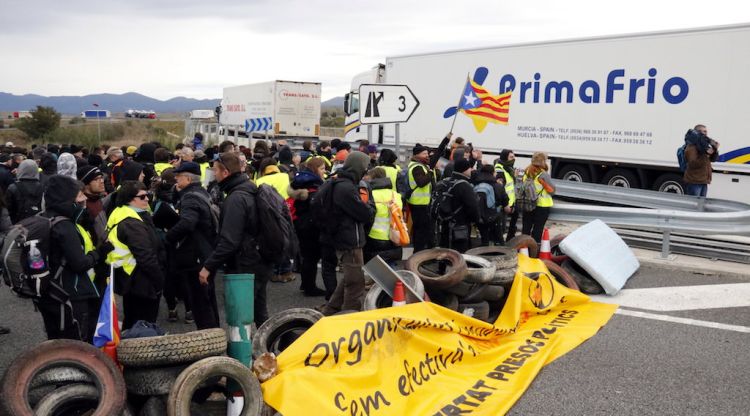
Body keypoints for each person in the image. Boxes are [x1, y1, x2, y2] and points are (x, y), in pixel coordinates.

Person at [199, 152, 273, 325]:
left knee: (240, 314)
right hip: (259, 258)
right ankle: (275, 344)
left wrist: (208, 266)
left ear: (225, 173)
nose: (213, 174)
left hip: (245, 263)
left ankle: (243, 351)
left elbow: (230, 241)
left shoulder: (236, 198)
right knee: (259, 311)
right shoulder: (248, 188)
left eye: (215, 170)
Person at [38, 175, 111, 342]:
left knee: (55, 338)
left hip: (50, 290)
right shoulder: (65, 226)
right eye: (79, 195)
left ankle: (56, 366)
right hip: (71, 293)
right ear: (66, 198)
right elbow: (79, 264)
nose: (84, 198)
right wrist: (101, 252)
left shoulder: (45, 218)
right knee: (76, 341)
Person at [318, 152, 375, 315]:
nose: (366, 171)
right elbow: (365, 214)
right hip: (350, 241)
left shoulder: (338, 182)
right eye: (365, 167)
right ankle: (350, 318)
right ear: (359, 167)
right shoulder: (346, 188)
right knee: (355, 283)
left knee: (348, 279)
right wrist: (370, 205)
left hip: (343, 238)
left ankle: (331, 310)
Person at [106, 181, 166, 330]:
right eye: (142, 196)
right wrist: (159, 281)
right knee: (142, 327)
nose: (147, 199)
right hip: (140, 281)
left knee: (133, 322)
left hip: (131, 280)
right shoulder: (131, 223)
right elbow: (146, 256)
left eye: (148, 195)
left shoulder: (129, 214)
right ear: (129, 199)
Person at [166, 162, 219, 329]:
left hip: (195, 255)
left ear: (188, 178)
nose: (175, 179)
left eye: (179, 176)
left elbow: (187, 223)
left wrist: (167, 238)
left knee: (200, 303)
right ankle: (215, 336)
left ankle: (208, 341)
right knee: (209, 299)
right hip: (207, 251)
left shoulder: (190, 197)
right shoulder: (202, 193)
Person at [288, 158, 331, 297]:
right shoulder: (314, 186)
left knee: (307, 256)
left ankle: (305, 283)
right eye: (322, 169)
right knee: (311, 257)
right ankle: (309, 287)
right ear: (315, 169)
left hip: (301, 223)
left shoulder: (301, 183)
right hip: (310, 226)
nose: (324, 172)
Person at [436, 159, 480, 253]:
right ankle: (456, 267)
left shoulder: (445, 182)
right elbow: (472, 207)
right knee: (459, 254)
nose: (471, 170)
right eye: (469, 168)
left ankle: (443, 267)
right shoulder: (464, 185)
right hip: (460, 226)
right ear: (464, 169)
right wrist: (476, 220)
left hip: (444, 223)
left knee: (445, 250)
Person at [363, 167, 403, 264]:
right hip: (394, 236)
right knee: (389, 270)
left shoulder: (370, 195)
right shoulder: (395, 195)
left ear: (372, 178)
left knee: (375, 269)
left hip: (374, 237)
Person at [407, 144, 436, 252]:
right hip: (419, 203)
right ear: (417, 155)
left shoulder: (418, 165)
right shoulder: (417, 167)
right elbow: (421, 183)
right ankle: (418, 253)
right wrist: (430, 174)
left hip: (419, 202)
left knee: (420, 229)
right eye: (424, 154)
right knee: (421, 230)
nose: (427, 156)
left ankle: (419, 251)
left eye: (427, 153)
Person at [521, 152, 556, 243]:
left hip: (527, 204)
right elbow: (552, 190)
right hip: (541, 206)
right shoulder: (542, 175)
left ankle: (524, 248)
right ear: (543, 161)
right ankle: (534, 250)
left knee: (526, 228)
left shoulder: (526, 172)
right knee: (537, 230)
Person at [473, 164, 509, 246]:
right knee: (499, 240)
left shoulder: (476, 185)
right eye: (495, 172)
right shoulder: (497, 186)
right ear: (492, 173)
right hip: (494, 217)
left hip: (479, 218)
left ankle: (483, 253)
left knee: (484, 239)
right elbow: (506, 204)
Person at [683, 124, 720, 197]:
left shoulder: (704, 145)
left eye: (706, 131)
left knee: (701, 205)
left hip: (703, 181)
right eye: (704, 131)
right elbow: (693, 163)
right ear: (698, 132)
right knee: (694, 206)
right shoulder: (692, 146)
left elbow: (713, 159)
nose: (706, 133)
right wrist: (707, 154)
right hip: (694, 182)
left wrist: (715, 150)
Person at [76, 166, 108, 244]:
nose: (102, 181)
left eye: (102, 178)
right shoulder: (82, 207)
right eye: (97, 179)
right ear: (86, 183)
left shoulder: (99, 200)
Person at [7, 159, 44, 223]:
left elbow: (9, 209)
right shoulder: (42, 187)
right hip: (37, 223)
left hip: (18, 224)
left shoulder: (13, 187)